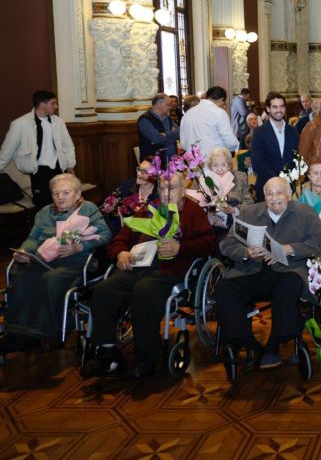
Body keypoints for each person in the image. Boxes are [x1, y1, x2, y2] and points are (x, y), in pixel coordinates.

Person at [81, 170, 214, 379]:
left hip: (168, 270)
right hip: (136, 266)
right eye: (162, 188)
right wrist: (121, 252)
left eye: (172, 188)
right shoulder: (149, 210)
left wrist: (181, 247)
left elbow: (208, 244)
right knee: (104, 290)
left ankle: (148, 356)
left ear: (182, 190)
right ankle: (107, 353)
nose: (166, 192)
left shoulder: (192, 211)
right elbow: (120, 238)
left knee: (144, 291)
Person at [216, 176, 321, 370]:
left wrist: (290, 249)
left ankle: (274, 343)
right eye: (269, 194)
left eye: (279, 193)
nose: (274, 198)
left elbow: (320, 245)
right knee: (224, 289)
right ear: (264, 196)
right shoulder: (249, 212)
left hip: (287, 270)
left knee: (290, 285)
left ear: (289, 195)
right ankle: (248, 343)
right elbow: (226, 244)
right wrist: (245, 252)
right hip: (251, 271)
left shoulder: (305, 213)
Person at [0, 174, 111, 355]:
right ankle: (17, 332)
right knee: (22, 278)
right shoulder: (44, 213)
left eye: (66, 192)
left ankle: (45, 332)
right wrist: (23, 252)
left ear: (77, 194)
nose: (60, 197)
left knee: (50, 280)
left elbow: (105, 235)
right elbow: (32, 239)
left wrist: (79, 247)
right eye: (56, 193)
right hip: (43, 260)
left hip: (74, 262)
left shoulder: (88, 209)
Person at [0, 90, 76, 209]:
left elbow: (68, 145)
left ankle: (63, 227)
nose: (56, 106)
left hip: (58, 169)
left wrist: (70, 165)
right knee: (43, 207)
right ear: (42, 104)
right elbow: (6, 151)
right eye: (53, 103)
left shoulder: (58, 122)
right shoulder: (20, 124)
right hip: (38, 171)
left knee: (63, 205)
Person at [250, 93, 299, 202]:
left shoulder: (293, 131)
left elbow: (296, 158)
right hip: (267, 187)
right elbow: (257, 163)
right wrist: (277, 180)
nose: (279, 110)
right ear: (268, 109)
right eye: (275, 107)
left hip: (288, 187)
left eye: (281, 106)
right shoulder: (259, 132)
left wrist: (287, 179)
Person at [191, 147, 251, 232]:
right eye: (215, 165)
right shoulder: (202, 180)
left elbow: (249, 202)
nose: (219, 169)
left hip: (234, 222)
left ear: (229, 166)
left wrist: (234, 210)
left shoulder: (240, 177)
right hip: (210, 224)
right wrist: (207, 215)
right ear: (210, 167)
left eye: (223, 164)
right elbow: (193, 204)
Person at [102, 156, 160, 236]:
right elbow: (110, 214)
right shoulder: (126, 186)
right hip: (123, 234)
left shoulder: (159, 193)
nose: (139, 174)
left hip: (146, 235)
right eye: (139, 169)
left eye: (144, 172)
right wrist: (112, 211)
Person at [179, 86, 239, 156]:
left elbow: (183, 144)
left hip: (193, 162)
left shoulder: (187, 114)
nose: (224, 105)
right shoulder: (219, 113)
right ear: (222, 99)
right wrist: (237, 148)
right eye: (224, 103)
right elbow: (231, 142)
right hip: (214, 161)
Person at [137, 93, 180, 162]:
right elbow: (158, 140)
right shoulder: (145, 120)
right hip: (154, 164)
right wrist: (173, 136)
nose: (170, 107)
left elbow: (179, 132)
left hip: (172, 162)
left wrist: (166, 134)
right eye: (168, 104)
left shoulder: (168, 118)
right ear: (160, 104)